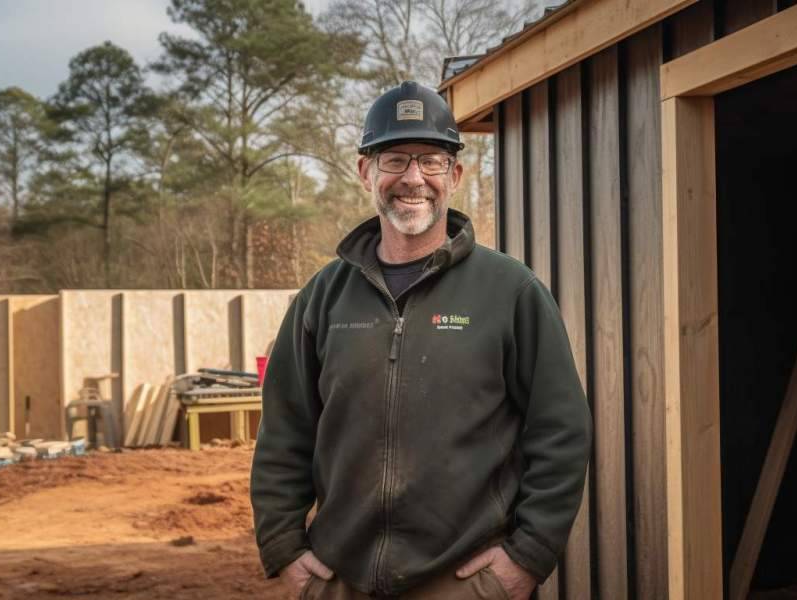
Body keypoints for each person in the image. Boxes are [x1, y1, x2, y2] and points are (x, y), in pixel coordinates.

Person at [250, 80, 592, 599]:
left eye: (431, 160)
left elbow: (561, 432)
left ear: (454, 174)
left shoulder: (510, 292)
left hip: (465, 583)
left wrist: (526, 557)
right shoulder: (322, 298)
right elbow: (284, 431)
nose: (414, 178)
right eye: (394, 159)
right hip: (339, 580)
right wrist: (285, 550)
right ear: (366, 171)